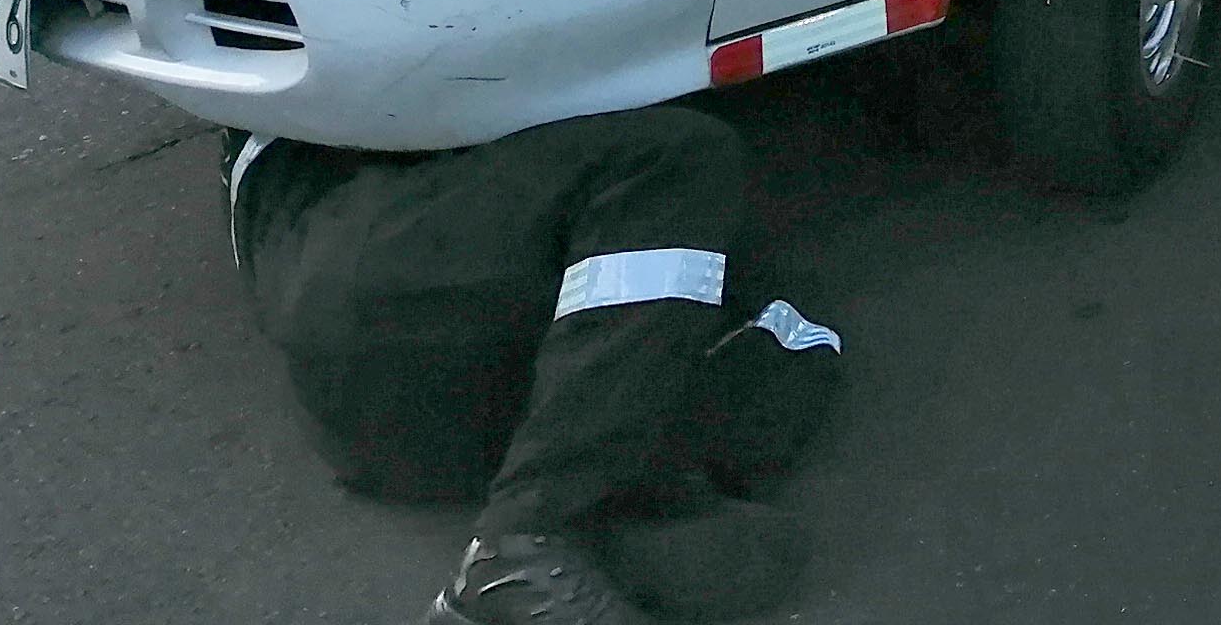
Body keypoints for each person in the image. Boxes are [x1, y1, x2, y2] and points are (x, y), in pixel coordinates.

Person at [225, 107, 844, 625]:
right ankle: (529, 535)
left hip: (388, 413)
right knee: (674, 159)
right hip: (360, 236)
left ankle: (547, 535)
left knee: (754, 552)